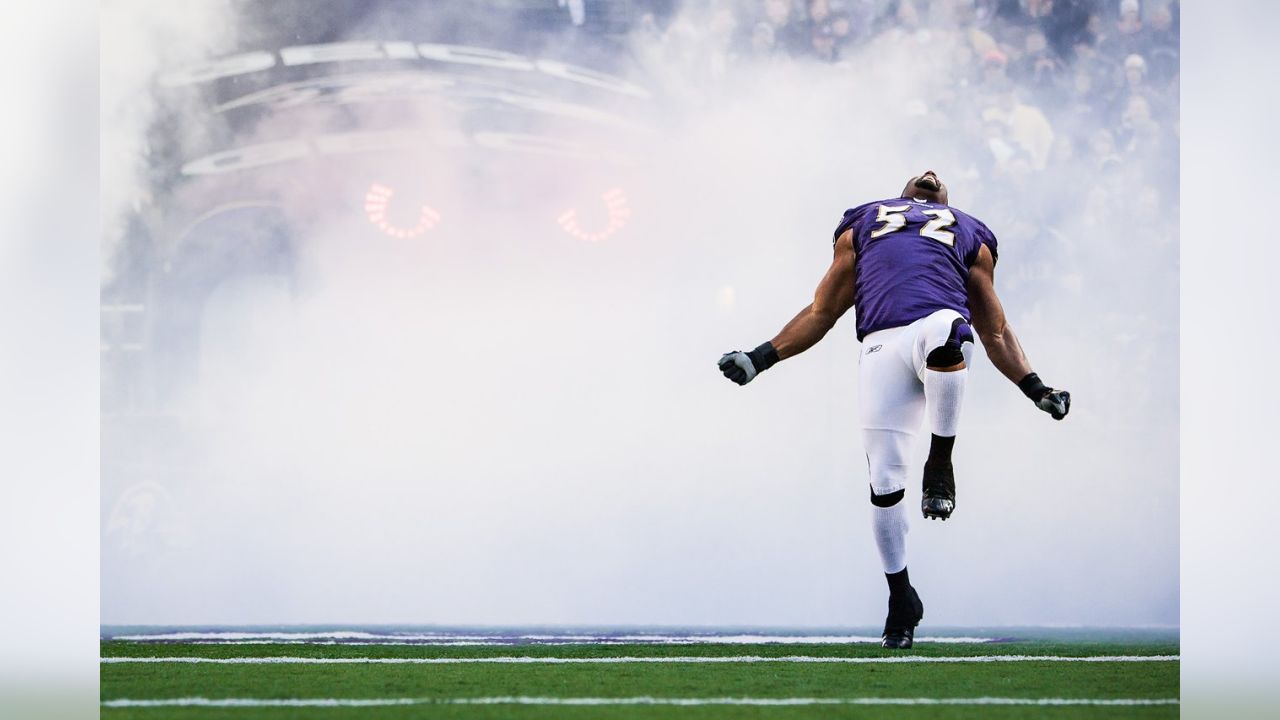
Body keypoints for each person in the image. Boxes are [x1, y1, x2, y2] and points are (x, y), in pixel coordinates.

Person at [717, 171, 1071, 649]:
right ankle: (900, 598)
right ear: (903, 193)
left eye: (938, 178)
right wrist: (760, 357)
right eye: (921, 176)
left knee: (951, 331)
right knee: (884, 484)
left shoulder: (969, 230)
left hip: (935, 322)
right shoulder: (862, 221)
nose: (930, 174)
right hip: (881, 345)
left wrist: (1035, 386)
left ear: (946, 200)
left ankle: (940, 462)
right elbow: (823, 311)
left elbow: (994, 329)